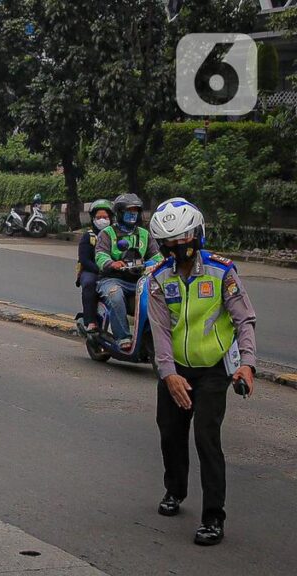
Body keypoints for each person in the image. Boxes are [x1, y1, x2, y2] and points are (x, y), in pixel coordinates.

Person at [147, 198, 257, 547]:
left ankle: (213, 516)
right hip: (175, 369)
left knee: (206, 438)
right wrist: (168, 374)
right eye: (171, 246)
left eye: (185, 243)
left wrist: (247, 364)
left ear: (197, 236)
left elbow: (244, 321)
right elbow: (160, 331)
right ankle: (174, 491)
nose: (180, 253)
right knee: (170, 434)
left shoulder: (222, 273)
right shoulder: (158, 279)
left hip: (212, 371)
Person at [94, 193, 163, 352]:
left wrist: (156, 264)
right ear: (119, 212)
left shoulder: (145, 235)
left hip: (140, 280)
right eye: (128, 210)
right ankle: (123, 337)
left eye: (135, 210)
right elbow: (100, 255)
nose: (133, 213)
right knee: (115, 296)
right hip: (112, 280)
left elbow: (156, 255)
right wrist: (112, 263)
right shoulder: (107, 233)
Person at [77, 199, 114, 332]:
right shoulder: (89, 236)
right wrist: (100, 270)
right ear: (93, 219)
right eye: (99, 217)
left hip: (113, 270)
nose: (102, 220)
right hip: (92, 270)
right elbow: (84, 260)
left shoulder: (116, 235)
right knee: (89, 283)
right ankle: (90, 321)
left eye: (105, 217)